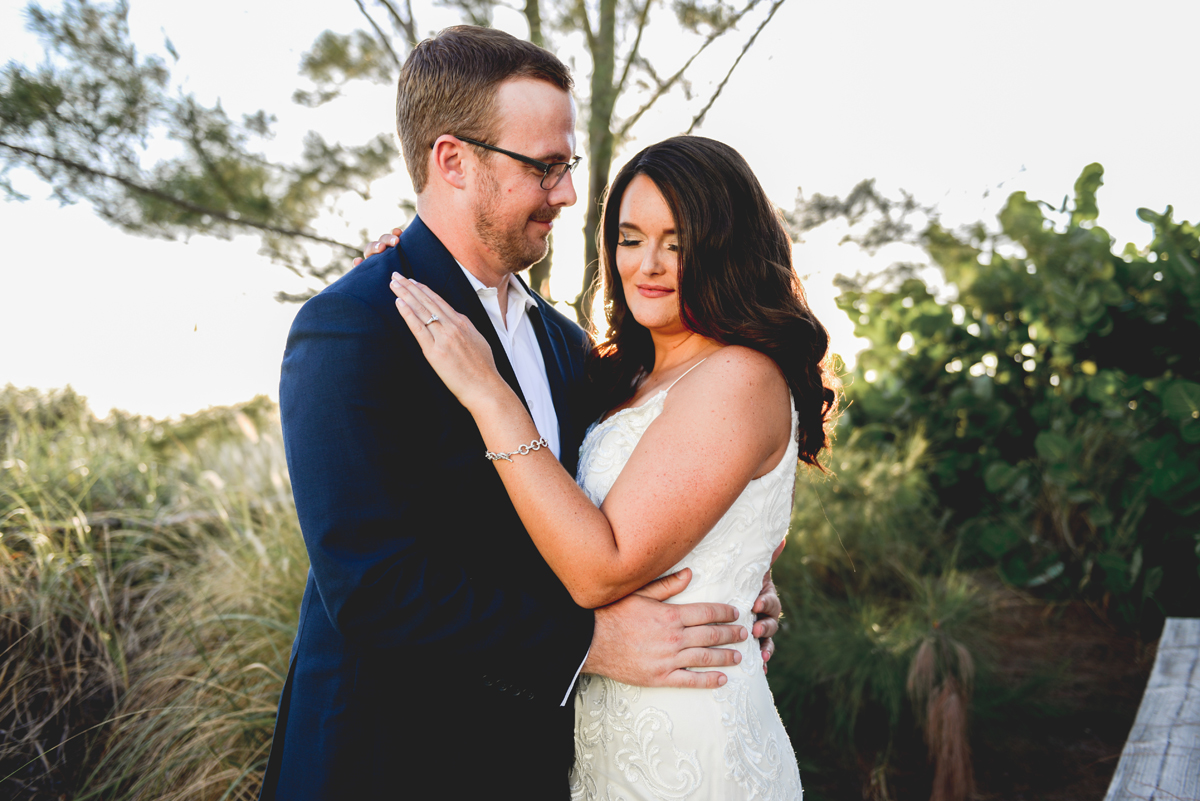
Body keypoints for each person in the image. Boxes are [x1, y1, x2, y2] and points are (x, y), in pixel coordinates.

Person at [260, 27, 782, 801]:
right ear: (452, 161)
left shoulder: (568, 345)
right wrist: (590, 644)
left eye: (566, 166)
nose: (568, 193)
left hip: (539, 766)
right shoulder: (354, 324)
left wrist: (738, 579)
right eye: (545, 167)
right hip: (386, 763)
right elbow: (374, 587)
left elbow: (643, 487)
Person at [385, 135, 836, 799]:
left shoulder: (740, 376)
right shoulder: (620, 376)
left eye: (676, 242)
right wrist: (410, 263)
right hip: (602, 738)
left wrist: (487, 391)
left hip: (691, 743)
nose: (648, 264)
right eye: (629, 238)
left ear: (727, 246)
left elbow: (601, 567)